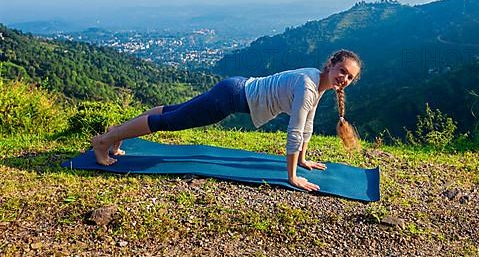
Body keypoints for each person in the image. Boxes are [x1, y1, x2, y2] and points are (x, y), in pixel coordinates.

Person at [92, 49, 362, 192]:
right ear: (331, 65)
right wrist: (292, 176)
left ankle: (117, 134)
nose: (344, 79)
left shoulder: (316, 82)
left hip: (234, 88)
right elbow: (294, 131)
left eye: (349, 77)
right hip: (229, 98)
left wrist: (303, 160)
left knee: (170, 111)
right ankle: (104, 140)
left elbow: (307, 125)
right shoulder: (308, 85)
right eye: (342, 71)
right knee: (170, 121)